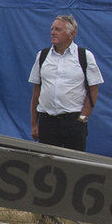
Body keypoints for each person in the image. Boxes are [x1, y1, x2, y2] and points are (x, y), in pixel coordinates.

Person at [28, 14, 103, 152]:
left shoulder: (84, 56)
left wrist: (82, 118)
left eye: (58, 29)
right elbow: (36, 91)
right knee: (46, 163)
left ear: (71, 34)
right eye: (52, 29)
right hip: (47, 122)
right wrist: (34, 123)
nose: (52, 32)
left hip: (73, 122)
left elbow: (93, 90)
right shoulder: (42, 56)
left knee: (74, 166)